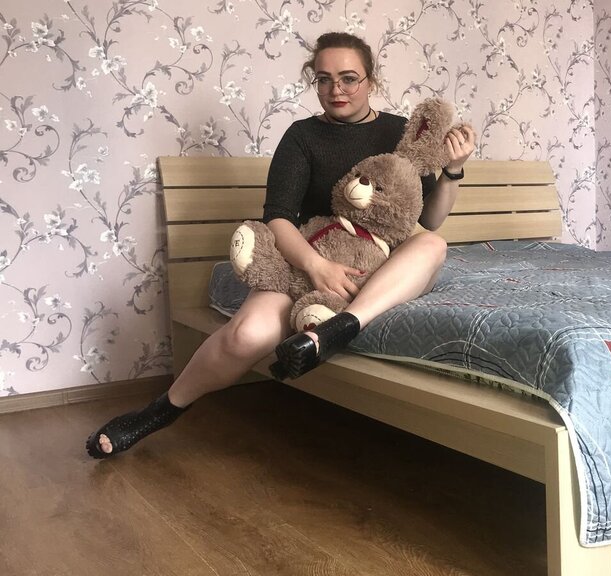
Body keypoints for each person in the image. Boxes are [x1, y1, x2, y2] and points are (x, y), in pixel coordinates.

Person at [86, 32, 477, 459]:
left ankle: (343, 326)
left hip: (381, 266)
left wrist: (452, 170)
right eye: (324, 79)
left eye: (349, 78)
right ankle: (161, 410)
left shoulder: (399, 133)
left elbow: (429, 219)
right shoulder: (302, 136)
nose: (336, 90)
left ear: (371, 80)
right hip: (314, 257)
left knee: (432, 245)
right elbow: (278, 217)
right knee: (245, 335)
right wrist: (315, 266)